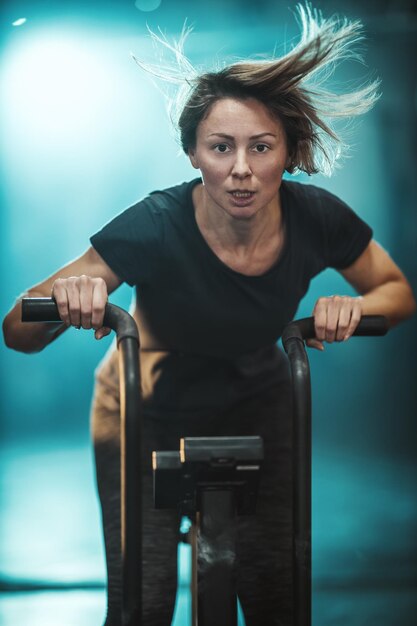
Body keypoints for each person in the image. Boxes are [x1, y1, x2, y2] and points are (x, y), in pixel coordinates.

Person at [3, 5, 416, 626]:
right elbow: (16, 332)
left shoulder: (317, 217)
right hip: (146, 407)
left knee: (277, 593)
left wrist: (353, 308)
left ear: (289, 151)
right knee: (142, 600)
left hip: (257, 398)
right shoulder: (154, 224)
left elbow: (396, 291)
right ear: (193, 152)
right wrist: (70, 302)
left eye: (262, 147)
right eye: (221, 147)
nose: (242, 169)